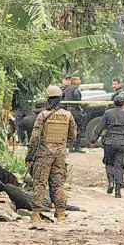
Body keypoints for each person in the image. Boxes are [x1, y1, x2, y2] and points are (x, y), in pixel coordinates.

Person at [25, 86, 77, 225]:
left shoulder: (42, 115)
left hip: (43, 155)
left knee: (39, 184)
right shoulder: (68, 115)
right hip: (60, 156)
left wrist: (29, 156)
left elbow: (34, 138)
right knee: (58, 185)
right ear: (60, 98)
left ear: (48, 98)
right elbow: (73, 135)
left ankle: (35, 216)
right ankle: (61, 216)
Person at [90, 95, 124, 198]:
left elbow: (99, 128)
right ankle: (118, 190)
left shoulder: (107, 113)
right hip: (123, 142)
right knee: (119, 165)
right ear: (123, 103)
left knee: (109, 163)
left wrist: (93, 140)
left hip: (109, 142)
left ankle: (111, 182)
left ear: (114, 103)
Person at [64, 75, 86, 153]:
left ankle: (70, 147)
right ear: (74, 81)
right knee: (80, 128)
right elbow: (77, 98)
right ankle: (77, 146)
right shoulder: (76, 89)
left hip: (68, 110)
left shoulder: (67, 89)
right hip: (75, 110)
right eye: (78, 79)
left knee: (70, 128)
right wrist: (80, 106)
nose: (80, 81)